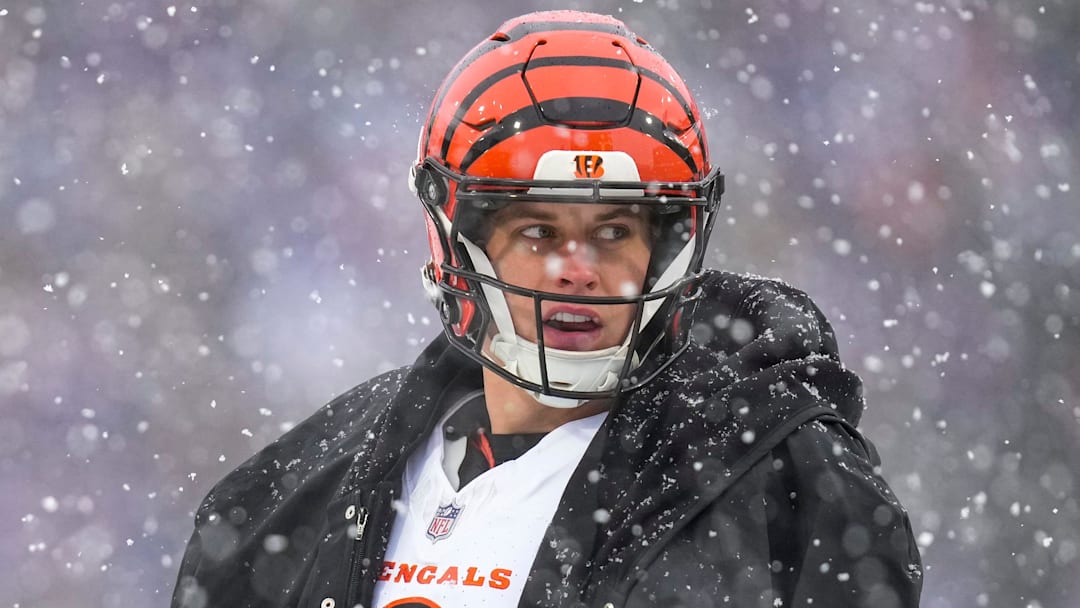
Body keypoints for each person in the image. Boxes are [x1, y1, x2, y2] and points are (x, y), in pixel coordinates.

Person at [172, 10, 922, 608]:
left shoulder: (783, 488)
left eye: (614, 231)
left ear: (669, 251)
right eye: (538, 230)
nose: (578, 270)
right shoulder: (294, 491)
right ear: (461, 240)